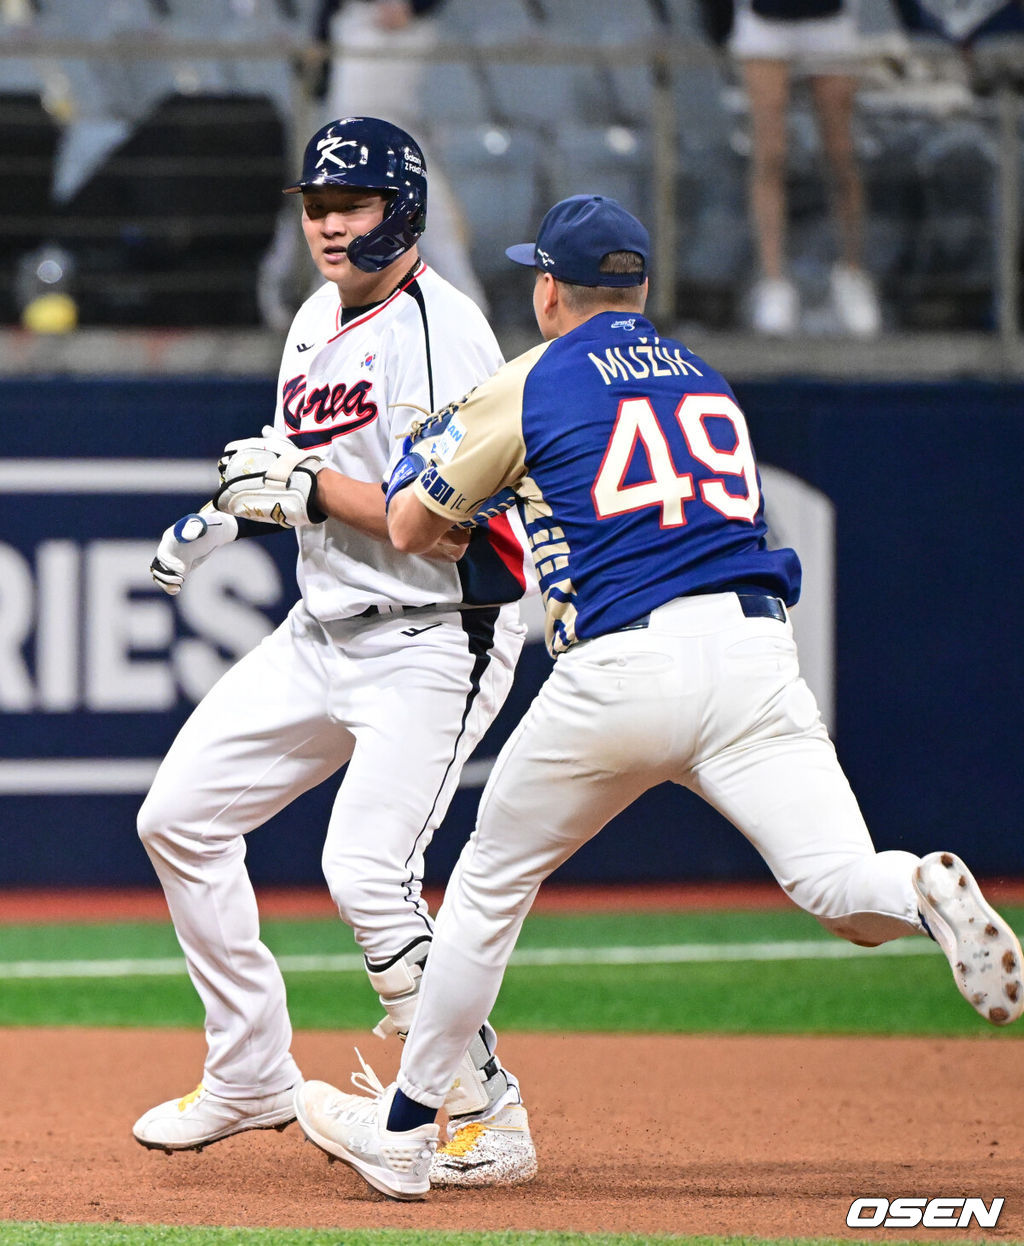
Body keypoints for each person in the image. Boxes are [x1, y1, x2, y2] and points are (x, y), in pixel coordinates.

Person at [289, 193, 1024, 1200]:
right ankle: (919, 890)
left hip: (624, 667)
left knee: (485, 892)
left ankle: (410, 1132)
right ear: (640, 290)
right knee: (839, 888)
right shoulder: (706, 379)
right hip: (756, 657)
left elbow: (415, 524)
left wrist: (384, 469)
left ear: (548, 288)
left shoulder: (534, 374)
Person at [131, 115, 538, 1190]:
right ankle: (251, 1072)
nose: (326, 225)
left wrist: (304, 491)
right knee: (178, 819)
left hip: (438, 632)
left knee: (365, 871)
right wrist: (232, 511)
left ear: (399, 208)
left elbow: (457, 524)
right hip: (322, 626)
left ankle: (484, 1113)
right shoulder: (315, 314)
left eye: (347, 205)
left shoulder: (445, 332)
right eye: (314, 206)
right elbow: (294, 467)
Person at [259, 0, 487, 329]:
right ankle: (312, 327)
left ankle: (474, 322)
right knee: (332, 230)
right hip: (347, 135)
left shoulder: (413, 23)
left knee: (436, 224)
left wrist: (413, 7)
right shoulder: (343, 18)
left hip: (398, 129)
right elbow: (321, 47)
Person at [729, 0, 882, 337]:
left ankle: (852, 274)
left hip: (829, 19)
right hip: (765, 20)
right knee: (770, 155)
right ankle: (773, 282)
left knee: (841, 155)